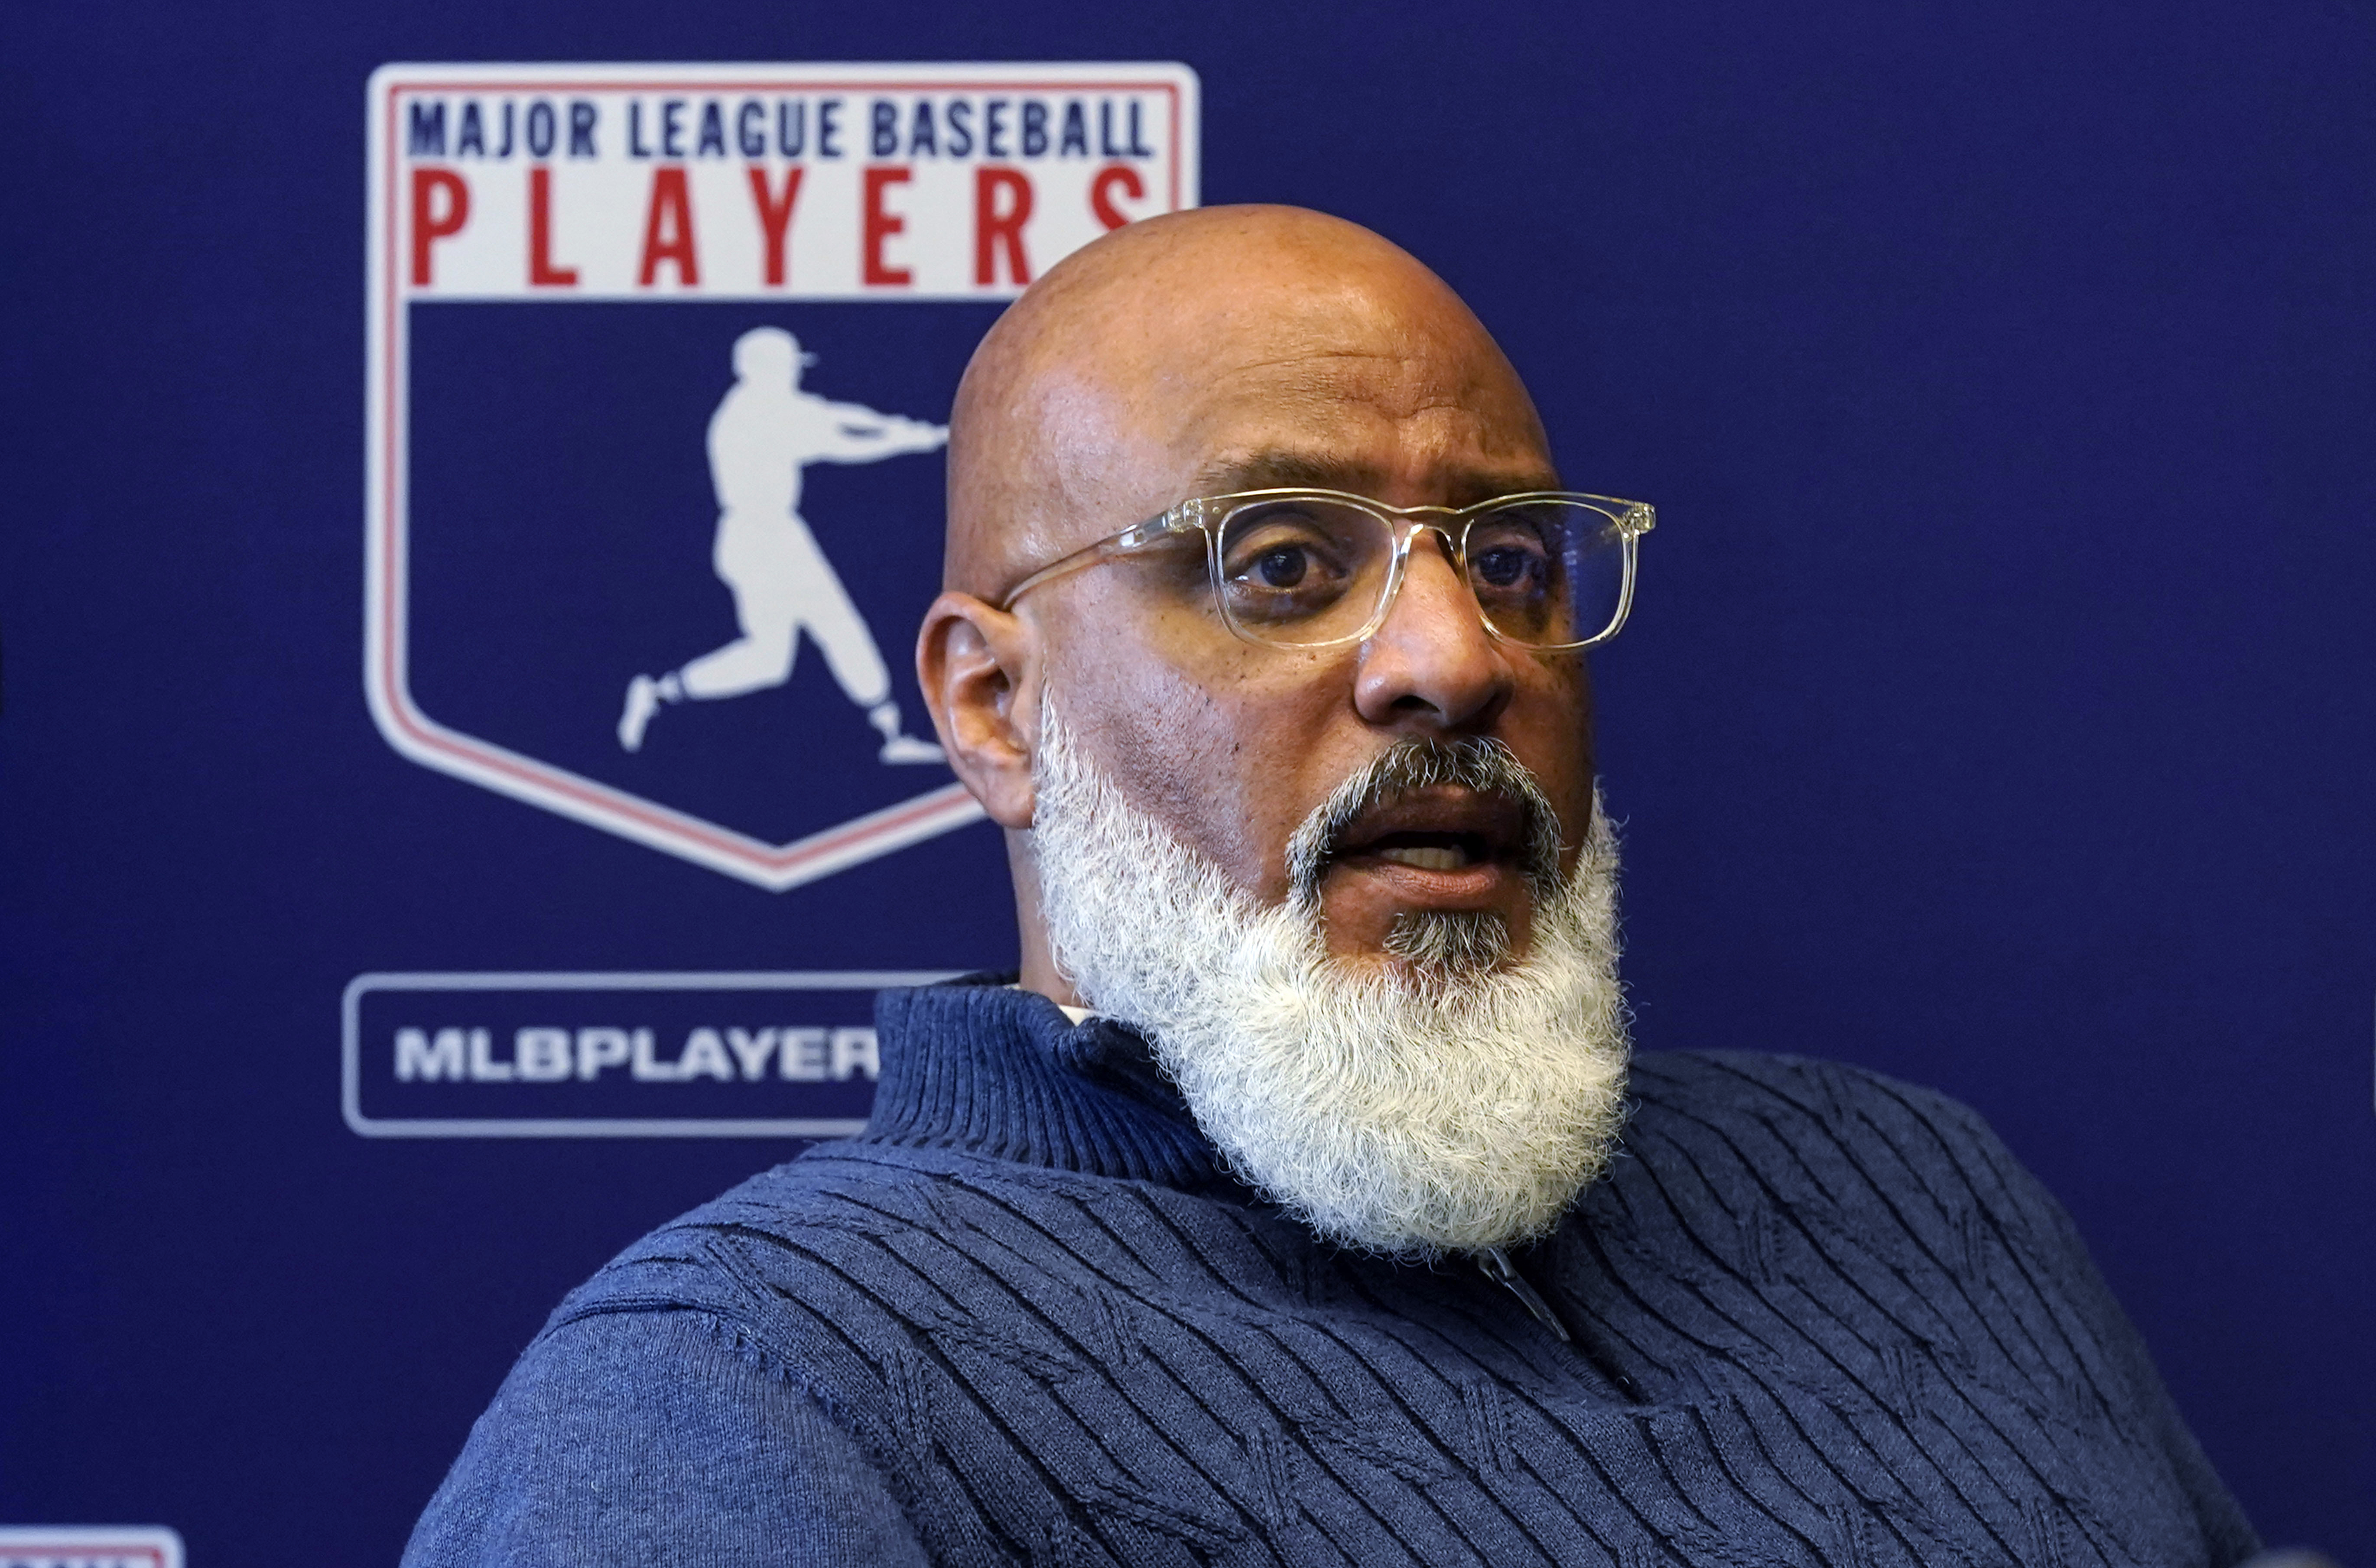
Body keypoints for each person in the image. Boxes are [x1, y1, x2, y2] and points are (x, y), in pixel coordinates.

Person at [409, 208, 2261, 1565]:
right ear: (993, 706)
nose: (1452, 659)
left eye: (1511, 559)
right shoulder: (745, 1389)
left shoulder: (1915, 1193)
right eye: (1282, 563)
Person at [618, 326, 948, 763]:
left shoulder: (776, 405)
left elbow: (837, 414)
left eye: (792, 367)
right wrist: (911, 441)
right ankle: (890, 734)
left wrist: (904, 428)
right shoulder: (750, 417)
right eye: (783, 367)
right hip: (761, 541)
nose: (792, 374)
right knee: (820, 634)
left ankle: (659, 693)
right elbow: (839, 446)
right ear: (754, 370)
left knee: (782, 654)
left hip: (776, 536)